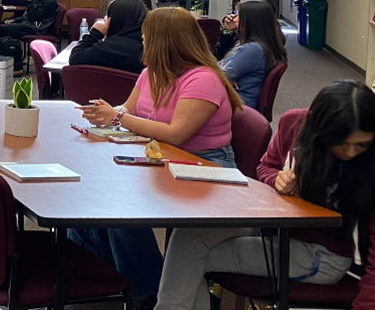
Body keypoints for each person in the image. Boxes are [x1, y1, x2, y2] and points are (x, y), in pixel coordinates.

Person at [75, 7, 243, 309]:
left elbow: (176, 134)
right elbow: (129, 109)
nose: (142, 44)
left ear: (165, 42)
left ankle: (146, 290)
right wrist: (106, 115)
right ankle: (108, 279)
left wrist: (118, 120)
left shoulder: (203, 79)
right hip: (166, 159)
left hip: (205, 166)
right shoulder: (151, 73)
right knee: (95, 199)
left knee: (123, 211)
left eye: (146, 38)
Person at [156, 80, 375, 310]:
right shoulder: (294, 124)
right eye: (342, 144)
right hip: (274, 226)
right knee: (188, 236)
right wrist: (277, 179)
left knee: (189, 261)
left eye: (362, 145)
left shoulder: (367, 168)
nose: (350, 152)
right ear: (320, 132)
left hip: (320, 253)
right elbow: (265, 168)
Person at [218, 0, 287, 110]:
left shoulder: (252, 50)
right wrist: (229, 30)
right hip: (241, 102)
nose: (233, 17)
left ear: (249, 21)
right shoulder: (263, 44)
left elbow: (220, 76)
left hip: (238, 106)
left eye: (238, 15)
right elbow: (222, 64)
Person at [68, 0, 147, 74]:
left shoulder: (107, 48)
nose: (105, 18)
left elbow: (75, 57)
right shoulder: (149, 48)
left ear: (115, 20)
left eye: (108, 15)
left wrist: (94, 33)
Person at [216, 0, 282, 60]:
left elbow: (223, 65)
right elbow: (220, 57)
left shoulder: (253, 46)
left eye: (242, 10)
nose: (236, 14)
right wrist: (227, 31)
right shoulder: (250, 34)